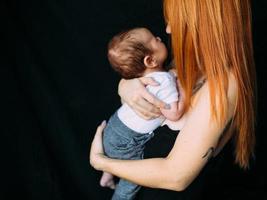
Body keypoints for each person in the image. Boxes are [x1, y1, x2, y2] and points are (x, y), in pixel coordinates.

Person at [90, 0, 256, 199]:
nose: (168, 29)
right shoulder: (183, 61)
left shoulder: (224, 84)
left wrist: (101, 162)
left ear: (204, 25)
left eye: (175, 21)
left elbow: (176, 177)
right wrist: (126, 86)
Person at [100, 27, 185, 200]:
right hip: (127, 141)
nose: (160, 37)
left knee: (116, 158)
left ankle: (107, 173)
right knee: (134, 176)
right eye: (155, 39)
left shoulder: (136, 79)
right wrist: (182, 88)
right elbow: (174, 114)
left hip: (112, 127)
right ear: (150, 60)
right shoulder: (166, 81)